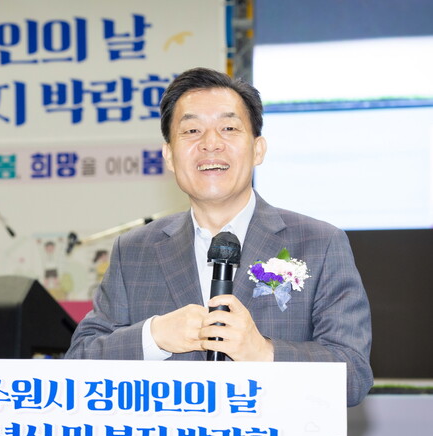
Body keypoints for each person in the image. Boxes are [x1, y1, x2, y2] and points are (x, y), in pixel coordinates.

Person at [65, 67, 373, 407]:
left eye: (228, 128)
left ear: (258, 149)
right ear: (169, 156)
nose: (210, 143)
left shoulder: (319, 243)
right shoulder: (135, 251)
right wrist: (154, 336)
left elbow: (353, 375)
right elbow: (78, 362)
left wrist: (262, 352)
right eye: (192, 130)